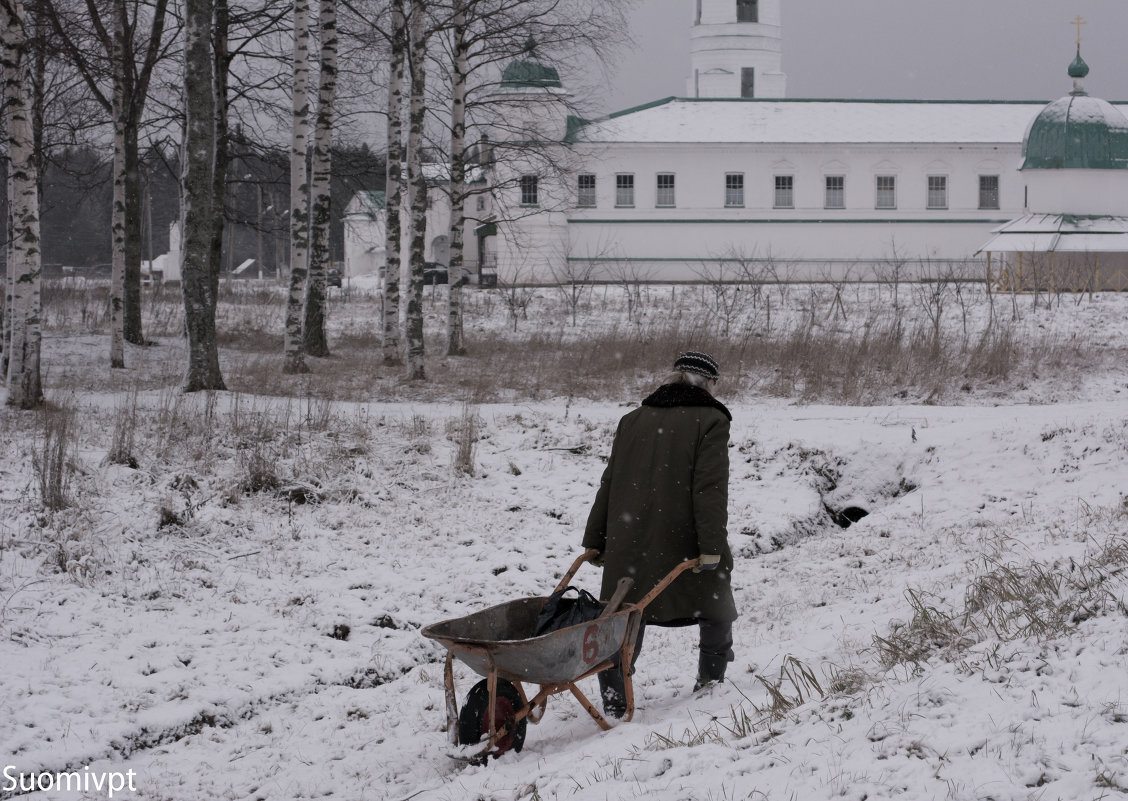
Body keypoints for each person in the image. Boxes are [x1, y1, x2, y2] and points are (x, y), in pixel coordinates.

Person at [582, 351, 737, 718]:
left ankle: (616, 701)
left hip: (630, 535)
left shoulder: (632, 419)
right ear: (707, 383)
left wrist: (597, 537)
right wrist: (712, 547)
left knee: (626, 612)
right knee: (715, 603)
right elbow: (709, 489)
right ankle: (710, 682)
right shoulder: (711, 420)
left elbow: (610, 481)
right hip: (683, 536)